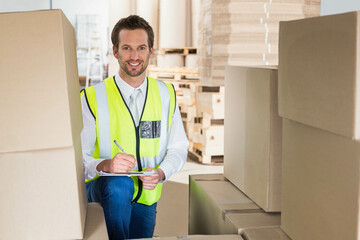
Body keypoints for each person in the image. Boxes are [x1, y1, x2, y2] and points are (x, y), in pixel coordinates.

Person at [80, 15, 189, 239]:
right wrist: (107, 165)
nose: (134, 56)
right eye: (127, 48)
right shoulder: (92, 97)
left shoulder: (166, 94)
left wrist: (161, 173)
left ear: (151, 51)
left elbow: (178, 147)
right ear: (116, 51)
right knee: (119, 184)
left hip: (147, 196)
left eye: (141, 48)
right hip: (104, 189)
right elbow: (79, 158)